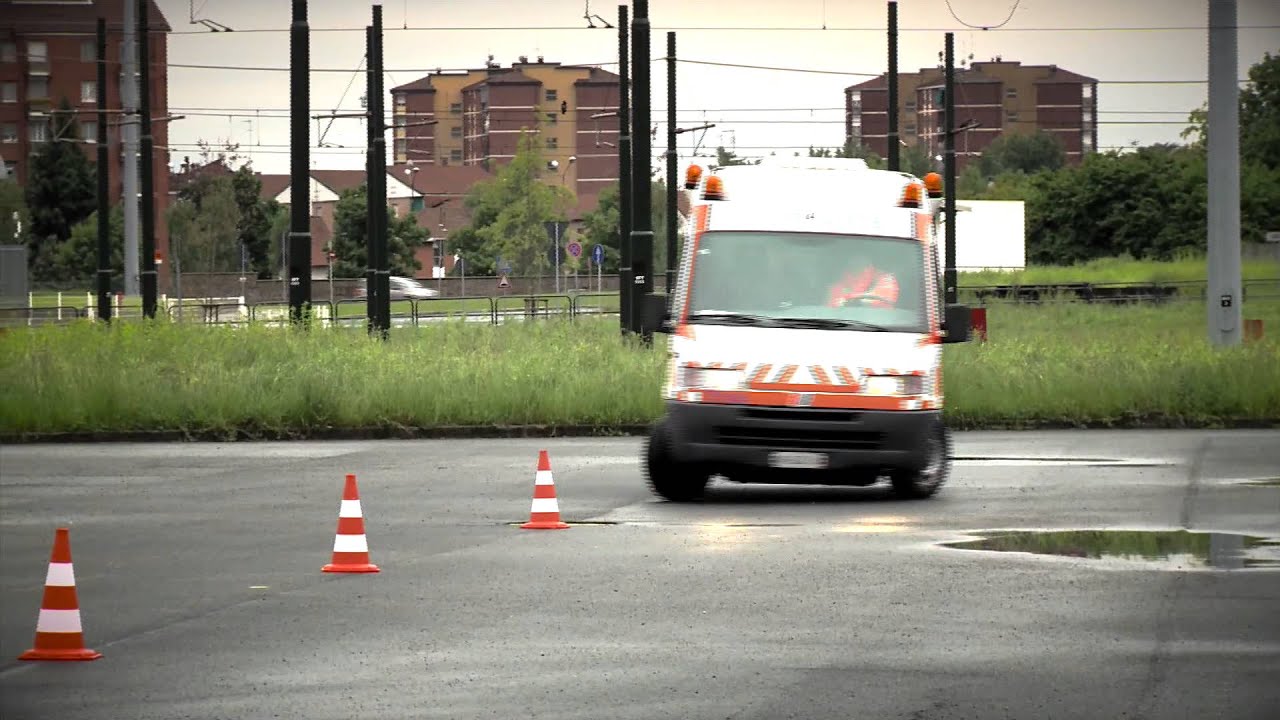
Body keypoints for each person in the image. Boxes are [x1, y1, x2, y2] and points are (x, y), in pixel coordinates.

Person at [827, 260, 899, 309]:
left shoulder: (885, 280)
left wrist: (853, 299)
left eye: (863, 264)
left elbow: (885, 303)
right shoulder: (838, 285)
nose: (857, 266)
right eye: (853, 264)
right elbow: (831, 310)